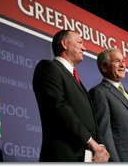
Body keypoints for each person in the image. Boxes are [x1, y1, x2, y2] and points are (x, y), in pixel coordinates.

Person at [32, 29, 110, 162]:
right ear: (64, 44)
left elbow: (93, 122)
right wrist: (91, 142)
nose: (84, 48)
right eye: (79, 42)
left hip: (88, 157)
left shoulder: (77, 81)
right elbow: (59, 107)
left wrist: (101, 146)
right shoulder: (48, 68)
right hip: (64, 156)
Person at [89, 48, 128, 162]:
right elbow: (105, 133)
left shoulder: (125, 92)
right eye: (117, 61)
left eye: (123, 61)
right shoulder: (99, 92)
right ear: (104, 67)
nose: (122, 65)